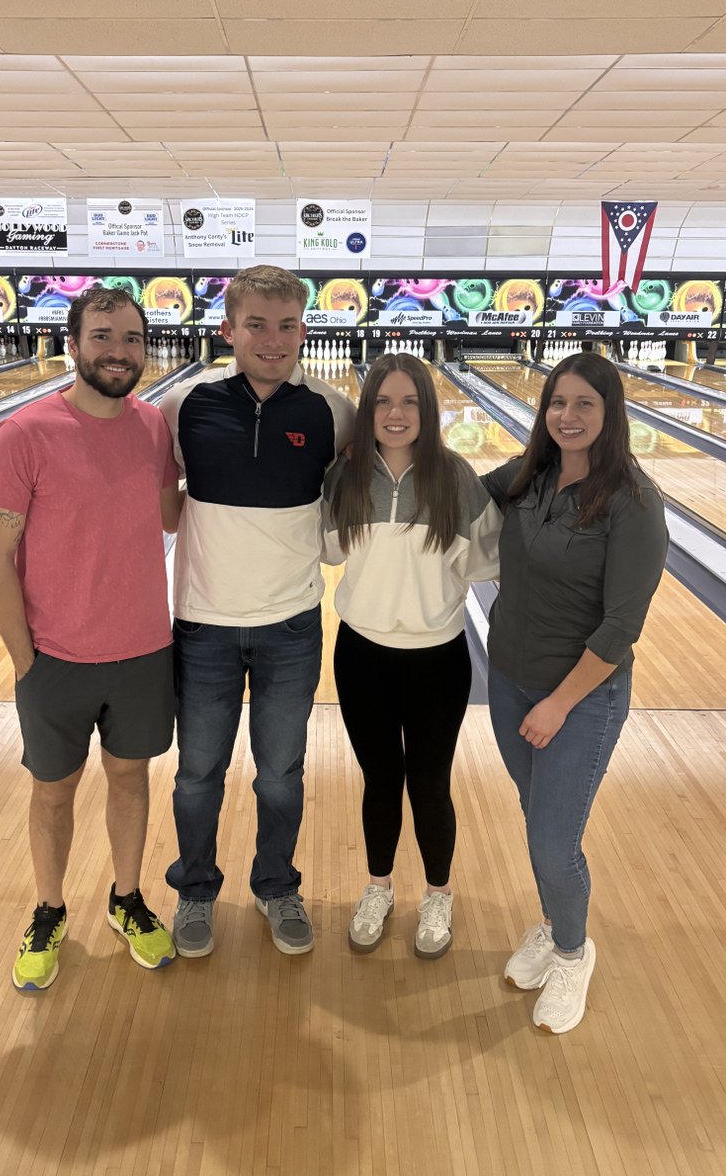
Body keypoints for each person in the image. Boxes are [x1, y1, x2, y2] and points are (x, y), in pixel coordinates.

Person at [0, 286, 181, 991]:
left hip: (144, 652)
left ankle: (126, 899)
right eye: (102, 336)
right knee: (53, 792)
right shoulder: (24, 435)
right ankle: (49, 909)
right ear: (73, 343)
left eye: (130, 338)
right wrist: (23, 657)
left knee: (130, 779)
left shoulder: (155, 427)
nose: (117, 352)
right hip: (55, 659)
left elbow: (171, 517)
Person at [159, 265, 355, 958]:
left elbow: (352, 504)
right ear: (228, 329)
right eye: (257, 324)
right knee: (196, 772)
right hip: (205, 623)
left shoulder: (332, 410)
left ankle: (277, 885)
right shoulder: (183, 405)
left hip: (292, 625)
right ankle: (194, 890)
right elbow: (158, 498)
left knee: (281, 772)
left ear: (305, 328)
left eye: (287, 325)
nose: (273, 339)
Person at [481, 352, 668, 1034]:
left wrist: (559, 702)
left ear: (609, 412)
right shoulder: (530, 476)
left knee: (555, 840)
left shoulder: (633, 503)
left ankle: (570, 951)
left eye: (585, 403)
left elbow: (623, 624)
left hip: (580, 699)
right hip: (507, 681)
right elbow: (463, 493)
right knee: (538, 824)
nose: (568, 415)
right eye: (558, 402)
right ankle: (556, 923)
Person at [322, 352, 501, 957]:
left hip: (437, 661)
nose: (395, 414)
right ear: (367, 410)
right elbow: (325, 551)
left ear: (428, 409)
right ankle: (378, 887)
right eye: (382, 402)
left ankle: (439, 893)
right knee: (380, 779)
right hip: (362, 656)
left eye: (410, 402)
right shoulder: (344, 480)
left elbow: (488, 561)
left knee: (429, 782)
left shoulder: (455, 479)